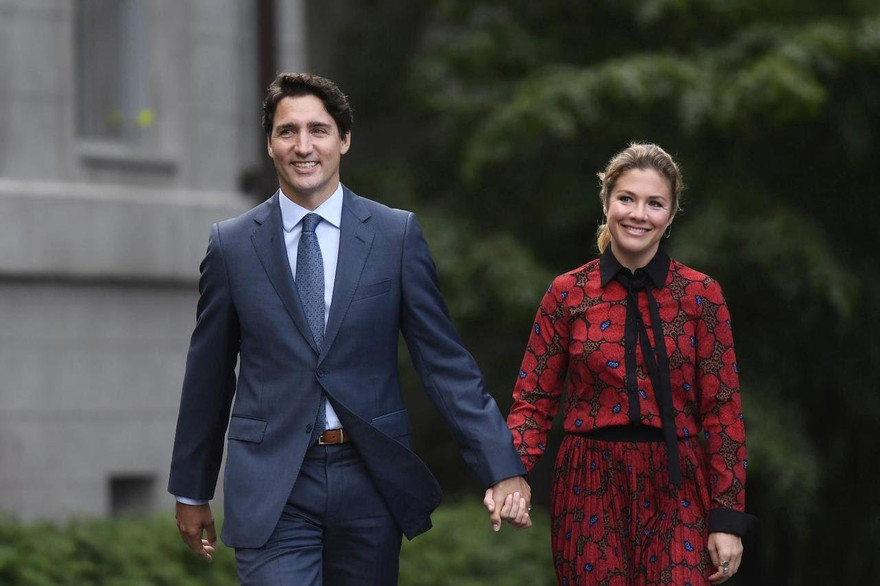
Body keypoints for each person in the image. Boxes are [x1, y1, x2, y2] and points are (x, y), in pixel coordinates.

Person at [168, 72, 531, 585]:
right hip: (274, 485)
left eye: (318, 130)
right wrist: (192, 488)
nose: (303, 146)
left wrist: (501, 464)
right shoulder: (231, 247)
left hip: (369, 478)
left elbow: (444, 364)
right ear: (270, 144)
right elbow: (208, 375)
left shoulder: (394, 236)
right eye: (287, 131)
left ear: (344, 139)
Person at [505, 143, 755, 585]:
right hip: (588, 481)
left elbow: (723, 412)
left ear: (671, 214)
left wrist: (727, 517)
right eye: (627, 199)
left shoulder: (701, 295)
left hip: (677, 481)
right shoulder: (567, 293)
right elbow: (534, 399)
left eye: (654, 203)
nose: (639, 214)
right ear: (606, 203)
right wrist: (510, 472)